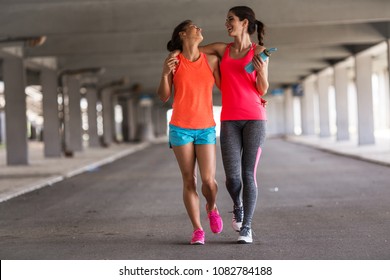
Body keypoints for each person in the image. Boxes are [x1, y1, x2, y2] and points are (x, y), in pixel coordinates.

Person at [198, 6, 269, 244]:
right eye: (226, 19)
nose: (227, 23)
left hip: (255, 119)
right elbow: (194, 51)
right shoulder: (222, 49)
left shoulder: (259, 51)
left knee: (249, 174)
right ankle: (237, 204)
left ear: (244, 23)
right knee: (232, 177)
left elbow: (263, 89)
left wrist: (261, 73)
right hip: (229, 119)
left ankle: (246, 227)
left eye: (231, 19)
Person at [157, 20, 223, 245]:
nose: (200, 29)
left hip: (206, 128)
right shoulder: (173, 61)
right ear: (183, 34)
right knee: (189, 180)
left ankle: (212, 207)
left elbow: (227, 86)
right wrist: (166, 73)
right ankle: (197, 229)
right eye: (195, 27)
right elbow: (164, 96)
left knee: (209, 181)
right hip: (180, 128)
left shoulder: (212, 60)